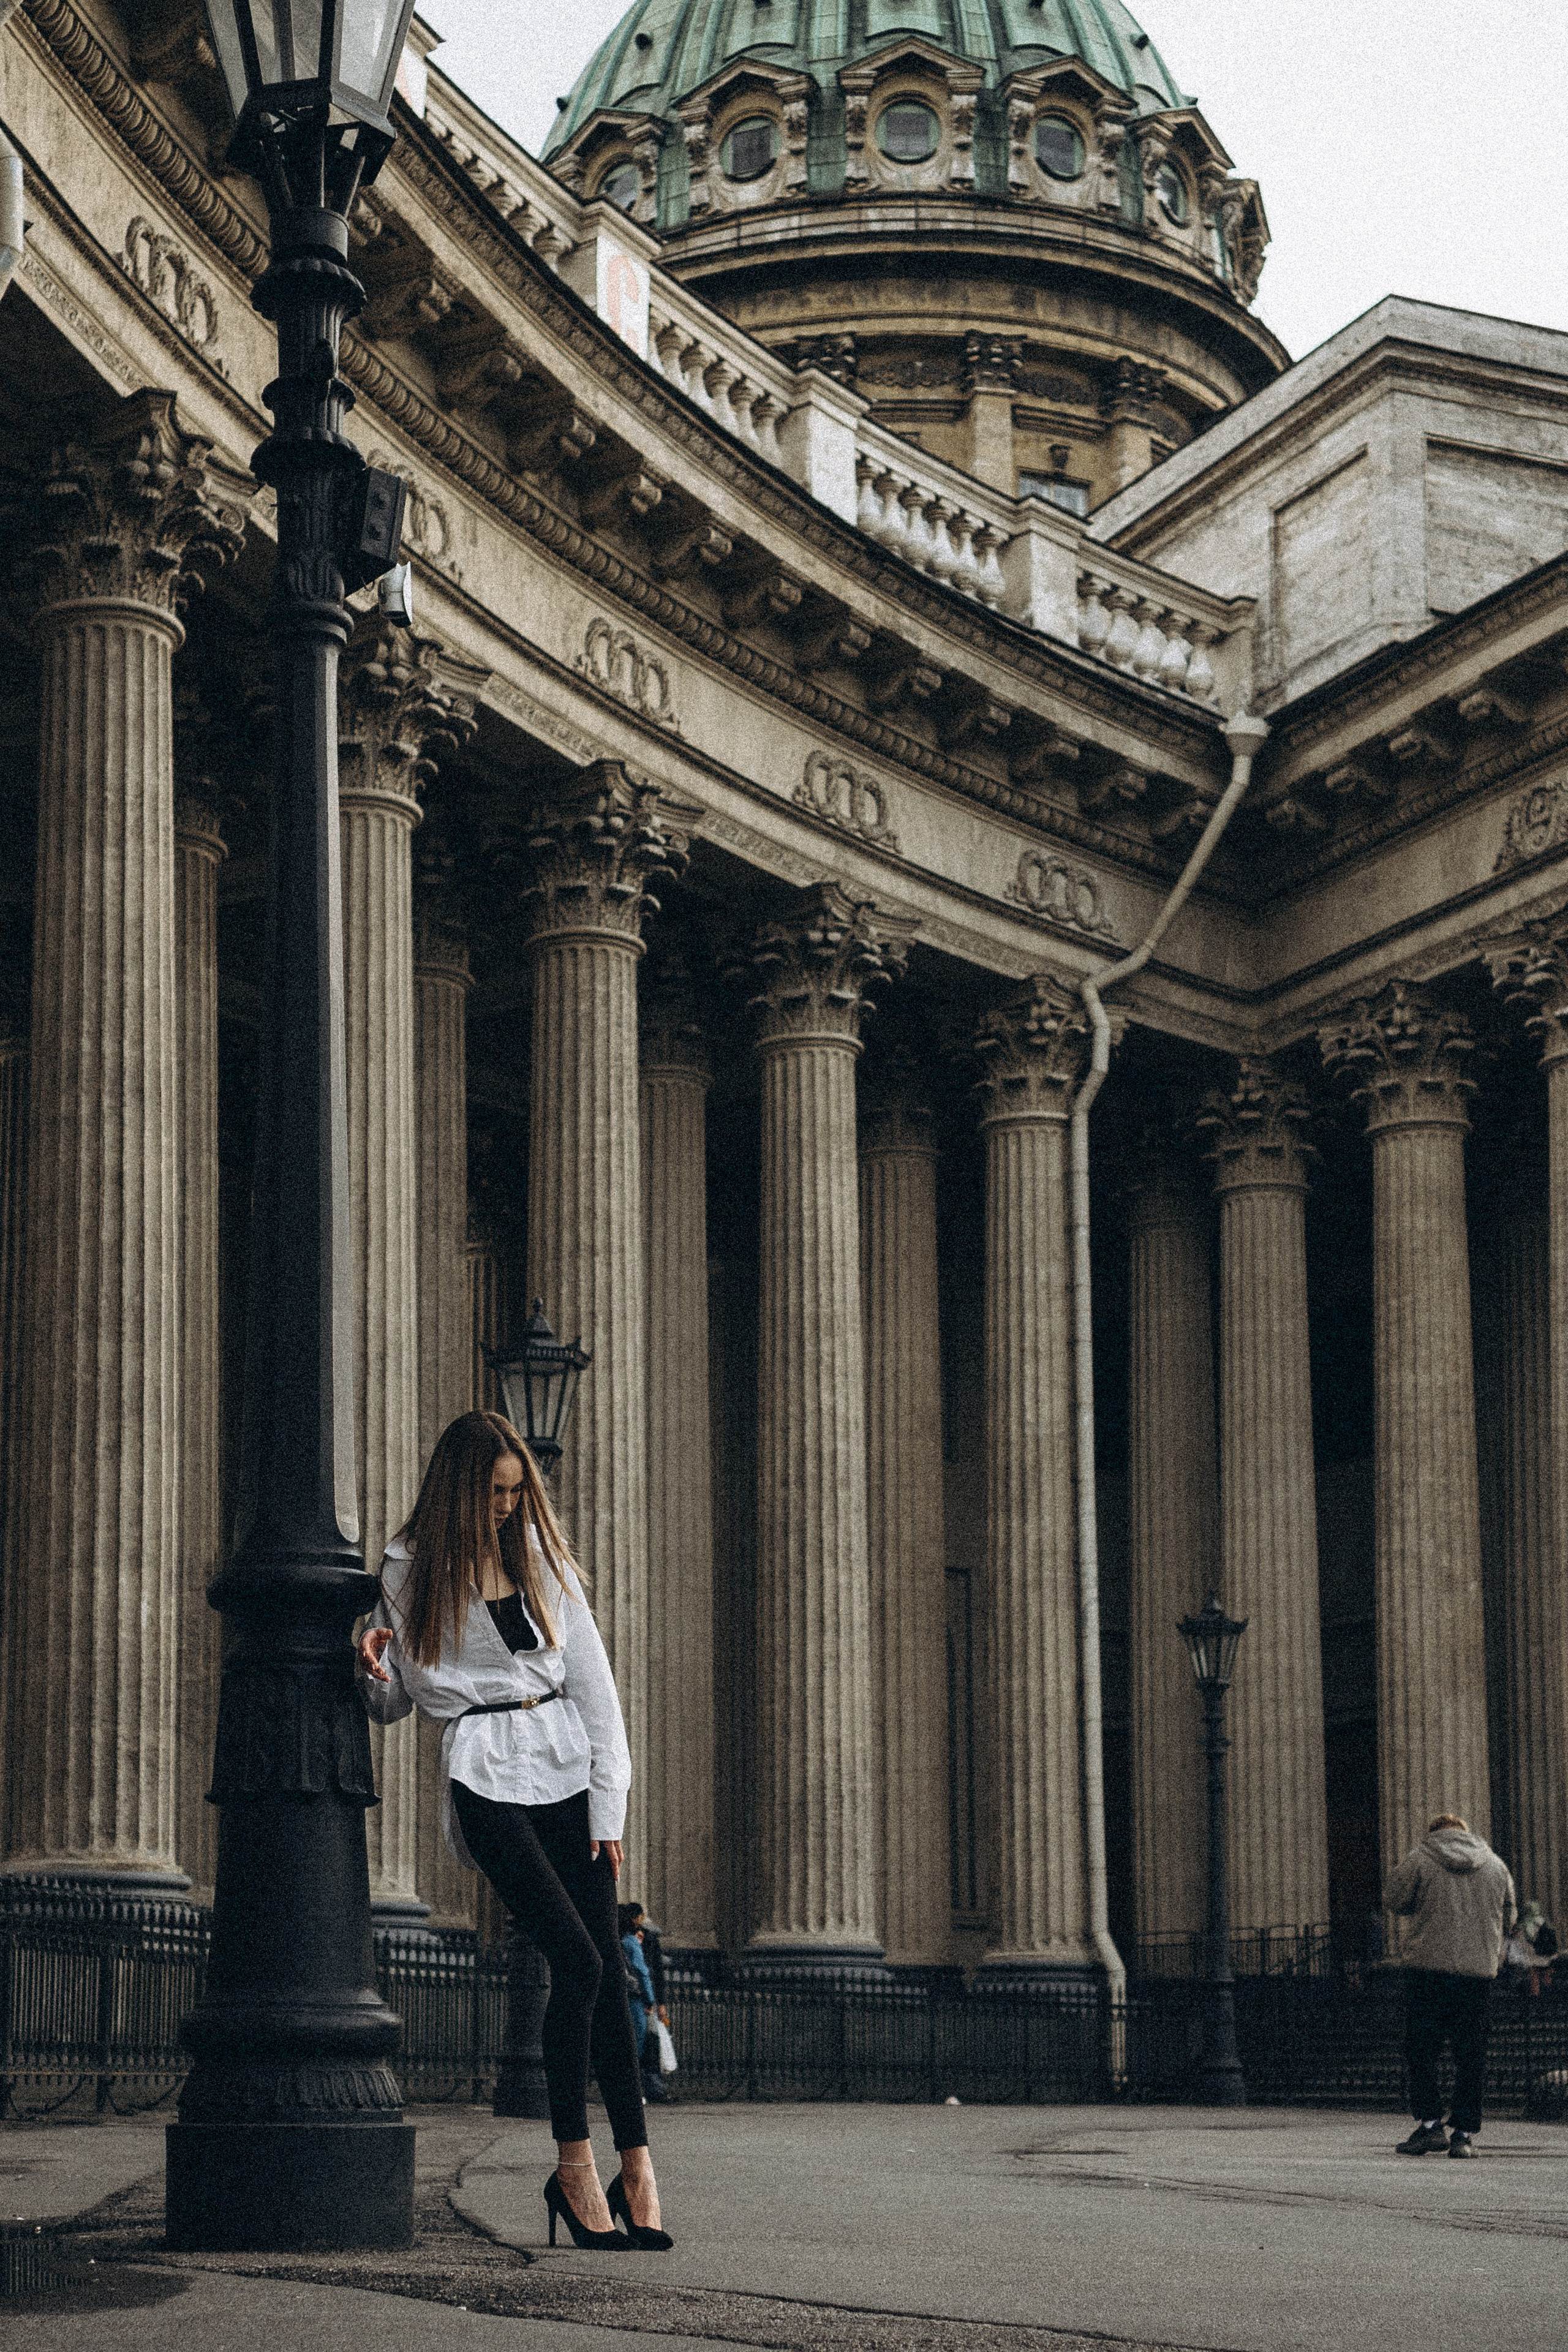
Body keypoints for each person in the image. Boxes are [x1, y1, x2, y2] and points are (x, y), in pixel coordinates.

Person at [356, 1409, 674, 2250]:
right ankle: (573, 2167)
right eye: (495, 1491)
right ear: (461, 1490)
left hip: (566, 1764)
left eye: (516, 1490)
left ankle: (635, 2167)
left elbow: (597, 1696)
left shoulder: (540, 1560)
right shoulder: (407, 1568)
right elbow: (397, 1702)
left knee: (603, 1962)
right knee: (574, 1958)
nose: (507, 1505)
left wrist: (610, 1809)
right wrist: (371, 1669)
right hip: (483, 1773)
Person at [1384, 1811, 1517, 2158]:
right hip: (1477, 1976)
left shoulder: (1419, 1859)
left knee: (1421, 2050)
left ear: (1433, 1834)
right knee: (1471, 2054)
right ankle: (1463, 2134)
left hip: (1428, 1971)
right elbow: (1510, 1916)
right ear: (1467, 1834)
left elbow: (1394, 1900)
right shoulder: (1496, 1865)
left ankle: (1429, 2125)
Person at [627, 1902, 671, 2103]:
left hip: (643, 1998)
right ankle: (647, 2089)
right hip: (641, 1998)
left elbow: (655, 1972)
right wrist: (654, 2001)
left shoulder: (648, 1938)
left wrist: (659, 2001)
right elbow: (645, 1972)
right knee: (643, 2044)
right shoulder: (629, 1940)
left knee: (649, 2044)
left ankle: (652, 2088)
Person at [619, 1904, 657, 2076]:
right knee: (636, 2043)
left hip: (622, 1995)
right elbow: (642, 1972)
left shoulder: (619, 1941)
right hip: (635, 1998)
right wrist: (650, 1999)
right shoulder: (631, 1942)